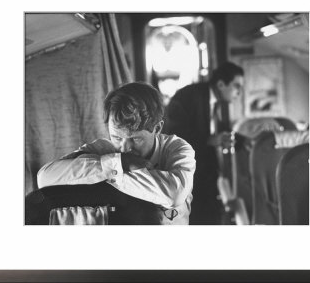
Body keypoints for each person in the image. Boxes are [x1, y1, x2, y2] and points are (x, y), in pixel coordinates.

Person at [37, 82, 196, 225]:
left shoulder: (178, 149)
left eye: (135, 139)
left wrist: (106, 176)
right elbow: (45, 178)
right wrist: (119, 163)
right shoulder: (104, 149)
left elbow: (174, 194)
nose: (124, 148)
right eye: (117, 137)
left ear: (157, 128)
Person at [164, 62, 244, 224]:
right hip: (189, 178)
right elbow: (173, 134)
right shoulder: (188, 96)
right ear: (221, 84)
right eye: (237, 86)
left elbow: (217, 129)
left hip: (206, 177)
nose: (239, 93)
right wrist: (210, 140)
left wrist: (245, 140)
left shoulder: (214, 102)